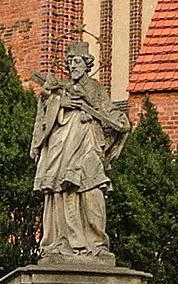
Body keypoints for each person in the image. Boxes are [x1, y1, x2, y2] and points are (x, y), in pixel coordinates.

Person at [29, 41, 129, 261]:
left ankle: (96, 243)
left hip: (88, 143)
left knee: (92, 189)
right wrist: (60, 102)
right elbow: (45, 115)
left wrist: (120, 121)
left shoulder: (96, 89)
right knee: (59, 190)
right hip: (61, 144)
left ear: (87, 64)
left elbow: (111, 114)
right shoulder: (59, 90)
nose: (73, 66)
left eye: (77, 62)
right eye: (70, 62)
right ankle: (59, 242)